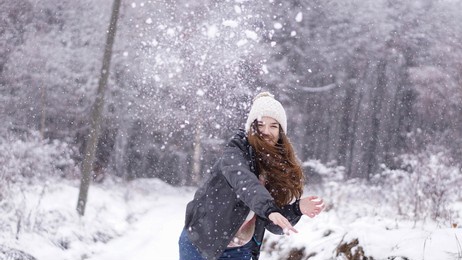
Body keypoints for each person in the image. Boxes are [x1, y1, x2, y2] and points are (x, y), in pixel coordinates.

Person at [179, 92, 325, 260]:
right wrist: (269, 209)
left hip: (240, 250)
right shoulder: (235, 153)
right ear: (251, 127)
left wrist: (296, 209)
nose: (266, 131)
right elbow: (245, 184)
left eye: (273, 126)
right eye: (261, 124)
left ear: (281, 132)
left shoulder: (277, 166)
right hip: (202, 242)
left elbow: (273, 224)